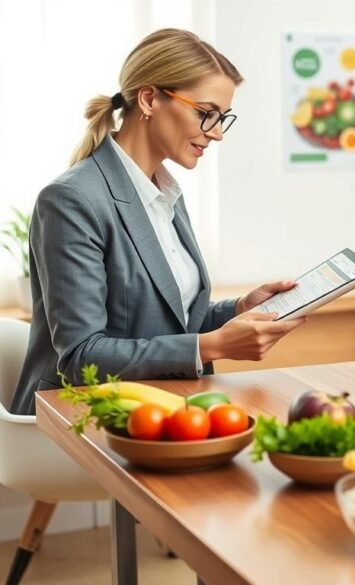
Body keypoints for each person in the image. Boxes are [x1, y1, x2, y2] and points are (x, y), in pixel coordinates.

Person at [10, 29, 305, 415]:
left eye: (222, 118)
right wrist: (212, 346)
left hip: (161, 408)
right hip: (79, 422)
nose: (216, 133)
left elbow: (165, 319)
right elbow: (83, 356)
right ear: (149, 99)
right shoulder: (72, 200)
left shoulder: (164, 191)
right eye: (205, 113)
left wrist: (237, 310)